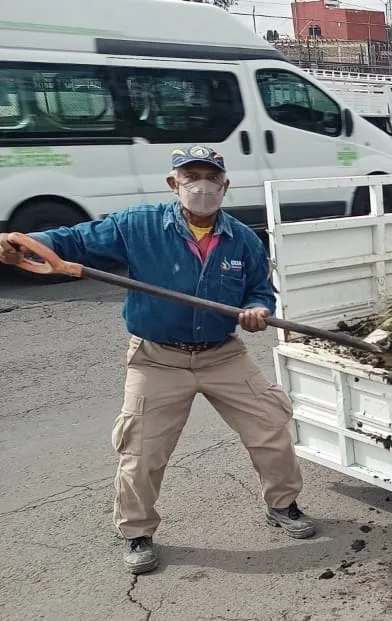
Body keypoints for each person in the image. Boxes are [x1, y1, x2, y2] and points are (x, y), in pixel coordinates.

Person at [0, 145, 315, 575]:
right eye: (191, 178)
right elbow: (72, 240)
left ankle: (283, 505)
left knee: (271, 426)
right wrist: (28, 243)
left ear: (224, 185)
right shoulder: (137, 226)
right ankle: (136, 532)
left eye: (210, 178)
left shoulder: (242, 238)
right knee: (142, 450)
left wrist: (259, 309)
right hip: (158, 359)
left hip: (223, 355)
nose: (201, 187)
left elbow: (260, 289)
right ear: (174, 184)